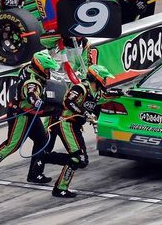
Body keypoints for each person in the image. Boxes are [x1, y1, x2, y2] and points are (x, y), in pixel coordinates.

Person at [0, 51, 60, 185]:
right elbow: (31, 93)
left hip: (29, 113)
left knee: (42, 139)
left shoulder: (28, 68)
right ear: (39, 66)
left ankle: (35, 173)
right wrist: (37, 101)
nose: (49, 72)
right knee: (12, 145)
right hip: (19, 114)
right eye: (47, 69)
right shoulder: (32, 81)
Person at [39, 65, 114, 198]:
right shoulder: (80, 88)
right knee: (78, 157)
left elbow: (105, 98)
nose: (106, 81)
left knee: (83, 160)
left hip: (75, 126)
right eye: (104, 78)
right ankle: (60, 187)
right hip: (66, 123)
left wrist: (121, 94)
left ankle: (45, 157)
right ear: (97, 78)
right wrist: (84, 113)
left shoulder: (97, 93)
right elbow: (68, 101)